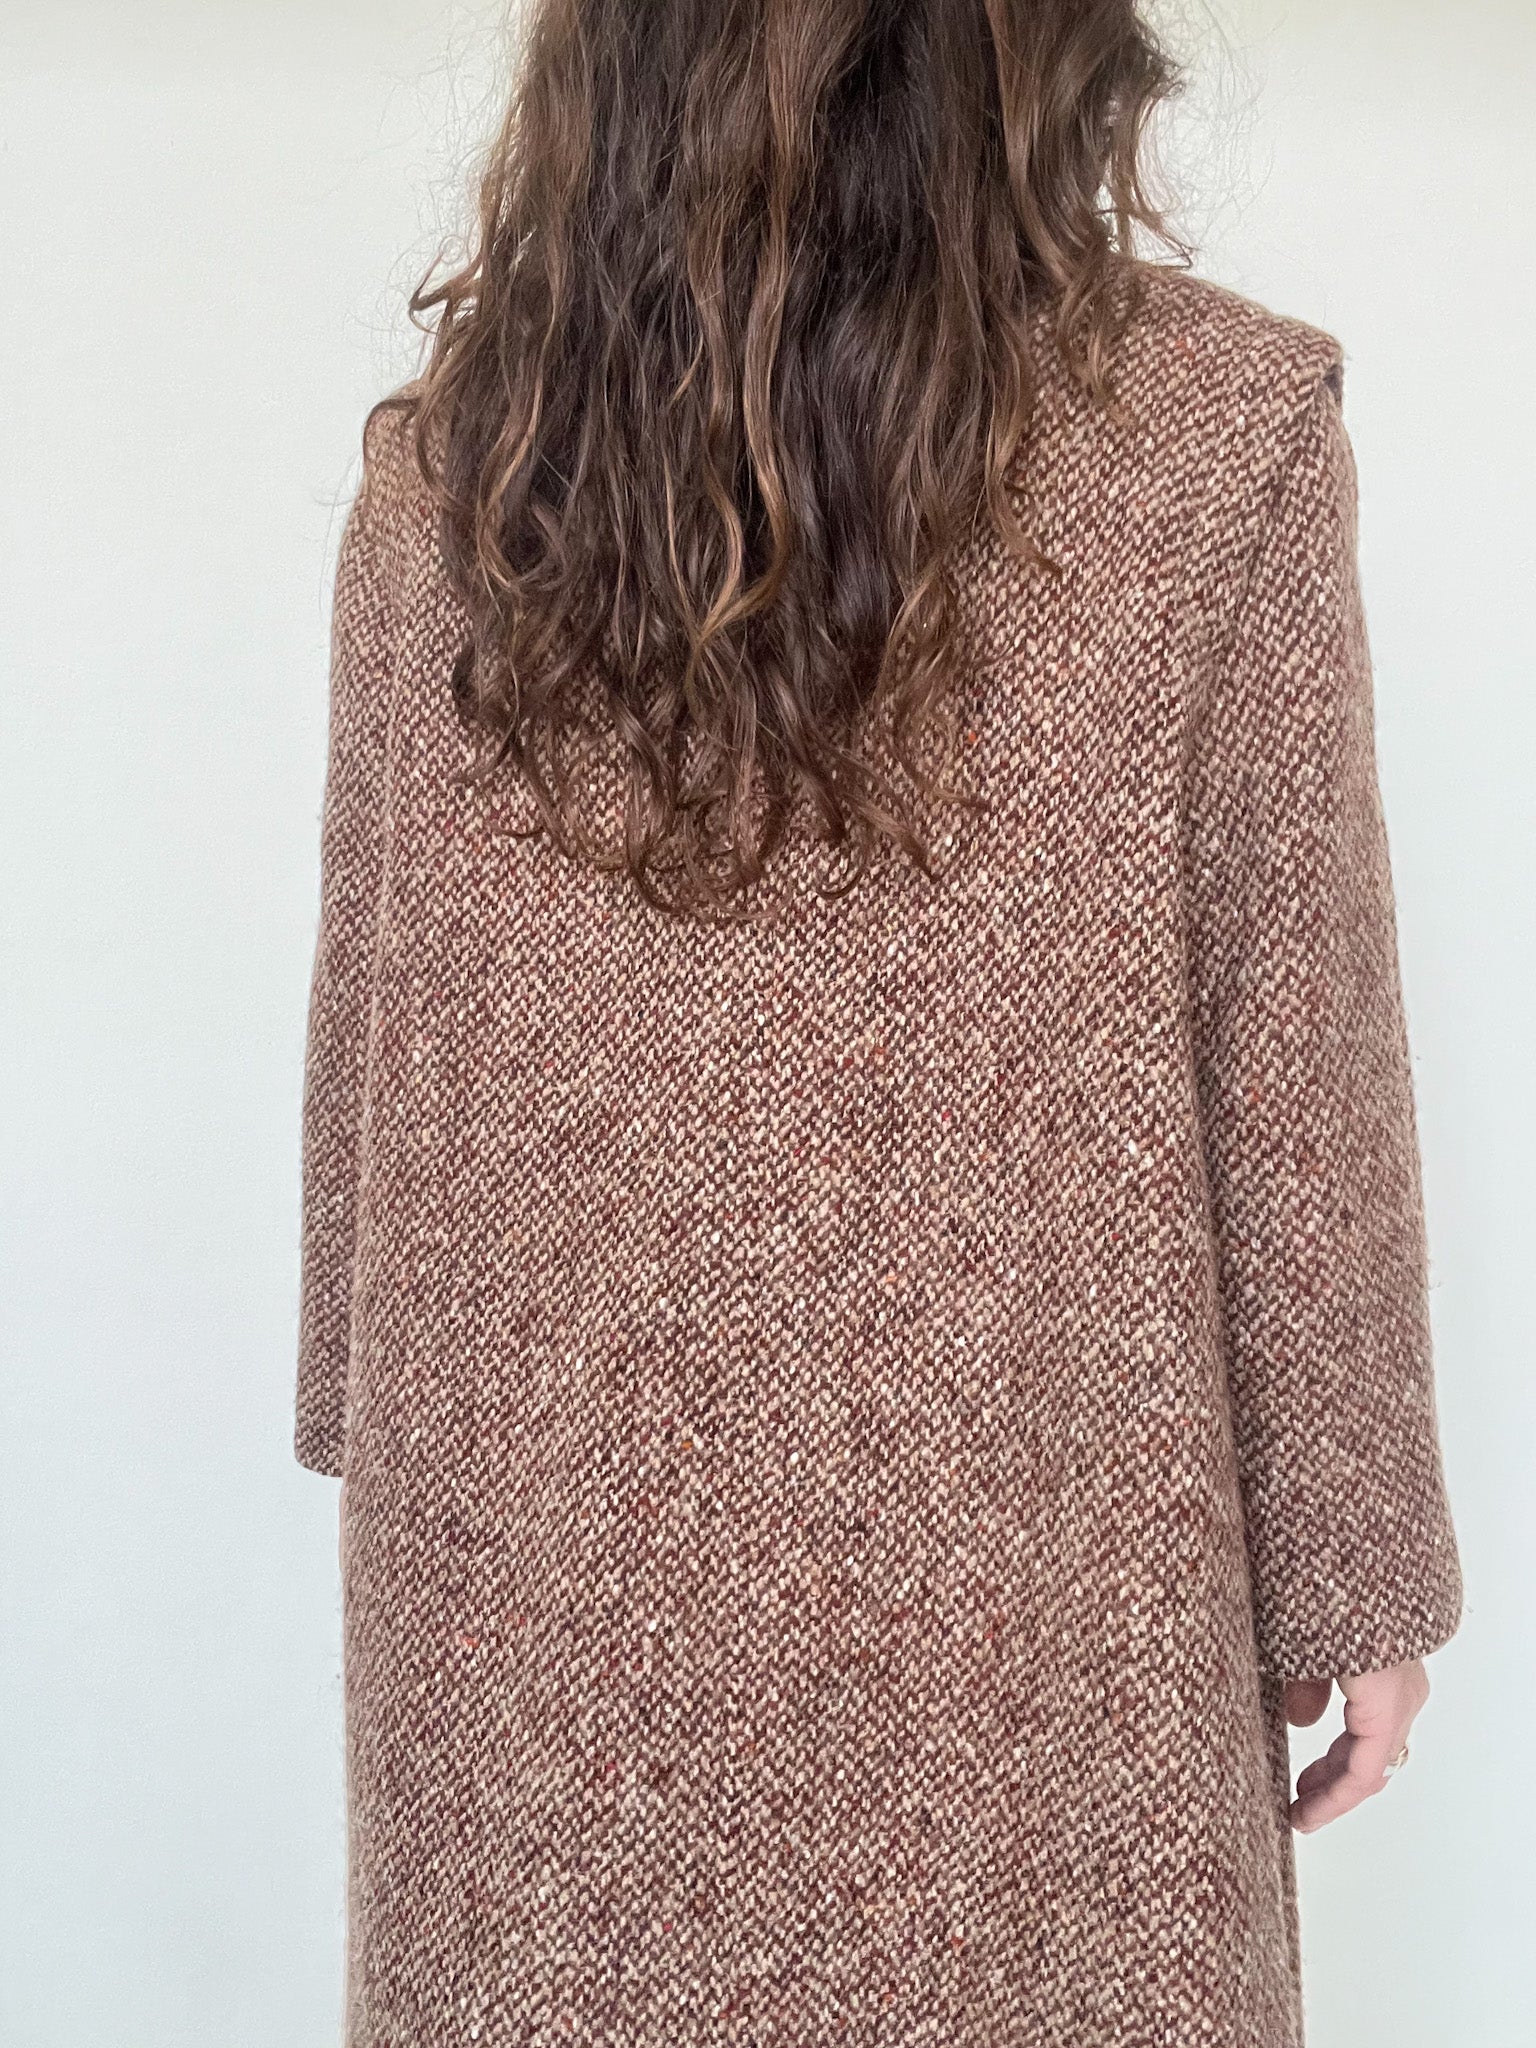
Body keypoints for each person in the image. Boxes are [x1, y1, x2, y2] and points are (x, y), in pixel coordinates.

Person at [293, 3, 1463, 2041]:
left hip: (546, 1572)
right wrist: (1348, 1564)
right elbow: (1293, 1055)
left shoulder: (459, 470)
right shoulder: (1223, 434)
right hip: (1040, 1572)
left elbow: (379, 1032)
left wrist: (374, 1411)